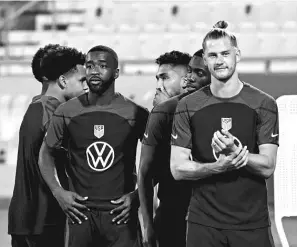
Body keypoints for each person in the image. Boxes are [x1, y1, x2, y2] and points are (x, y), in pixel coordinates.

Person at [170, 20, 279, 247]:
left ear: (237, 55)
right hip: (203, 224)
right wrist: (217, 166)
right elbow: (177, 169)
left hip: (252, 224)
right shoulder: (188, 105)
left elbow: (268, 165)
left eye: (225, 53)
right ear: (205, 59)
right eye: (212, 55)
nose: (219, 61)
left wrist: (238, 154)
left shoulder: (264, 103)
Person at [38, 45, 149, 247]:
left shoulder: (136, 114)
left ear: (116, 72)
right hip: (80, 216)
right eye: (89, 66)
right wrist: (58, 191)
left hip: (120, 217)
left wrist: (137, 196)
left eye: (102, 65)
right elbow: (46, 153)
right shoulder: (66, 111)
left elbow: (157, 159)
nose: (94, 71)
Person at [8, 45, 88, 247]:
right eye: (82, 80)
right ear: (62, 80)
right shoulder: (51, 112)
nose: (86, 86)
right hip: (43, 219)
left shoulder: (38, 105)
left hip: (29, 219)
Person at [138, 49, 210, 247]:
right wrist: (147, 225)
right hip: (172, 215)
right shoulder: (162, 114)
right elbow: (148, 172)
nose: (159, 86)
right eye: (157, 79)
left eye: (165, 78)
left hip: (210, 217)